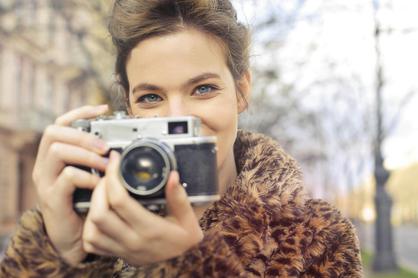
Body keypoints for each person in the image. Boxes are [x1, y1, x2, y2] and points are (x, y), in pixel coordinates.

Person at [0, 0, 362, 277]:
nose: (177, 117)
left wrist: (191, 265)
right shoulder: (95, 229)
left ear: (240, 91)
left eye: (203, 88)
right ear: (128, 107)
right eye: (151, 97)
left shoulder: (316, 239)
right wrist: (59, 255)